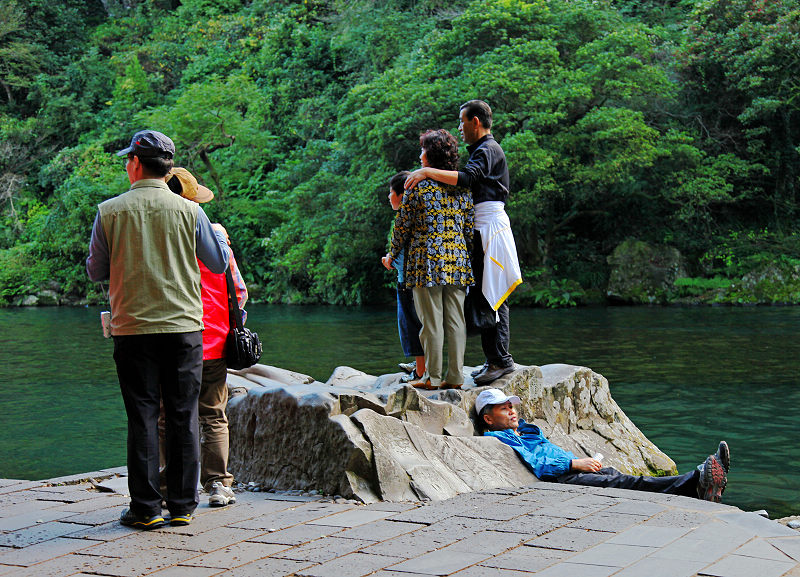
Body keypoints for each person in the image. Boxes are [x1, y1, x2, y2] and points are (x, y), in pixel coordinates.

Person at [86, 130, 229, 530]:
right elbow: (217, 264)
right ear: (167, 168)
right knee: (184, 414)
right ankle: (183, 505)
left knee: (143, 416)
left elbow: (96, 270)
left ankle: (146, 509)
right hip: (184, 327)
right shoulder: (190, 211)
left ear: (135, 163)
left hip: (132, 328)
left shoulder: (109, 210)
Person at [406, 100, 522, 386]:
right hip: (484, 226)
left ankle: (501, 360)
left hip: (490, 227)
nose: (459, 127)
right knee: (486, 293)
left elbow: (468, 179)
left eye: (462, 121)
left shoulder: (488, 149)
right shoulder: (482, 150)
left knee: (493, 295)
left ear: (476, 122)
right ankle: (493, 358)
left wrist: (426, 172)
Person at [476, 388, 730, 502]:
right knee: (626, 483)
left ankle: (697, 489)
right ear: (488, 418)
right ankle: (697, 479)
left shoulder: (525, 431)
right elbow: (539, 464)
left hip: (572, 471)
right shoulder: (499, 438)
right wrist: (575, 463)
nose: (511, 411)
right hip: (564, 478)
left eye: (512, 406)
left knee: (626, 479)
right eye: (503, 408)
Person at [166, 167, 246, 508]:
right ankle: (218, 485)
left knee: (166, 415)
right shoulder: (216, 236)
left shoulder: (164, 235)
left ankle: (168, 487)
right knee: (213, 413)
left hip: (172, 337)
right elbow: (238, 292)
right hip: (214, 339)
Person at [385, 129, 474, 390]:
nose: (420, 155)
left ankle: (432, 378)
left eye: (423, 150)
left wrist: (392, 253)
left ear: (430, 155)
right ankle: (455, 378)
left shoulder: (417, 185)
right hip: (458, 261)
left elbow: (402, 226)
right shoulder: (462, 188)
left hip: (426, 262)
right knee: (457, 322)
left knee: (431, 322)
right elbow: (469, 229)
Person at [381, 171, 426, 383]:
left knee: (412, 324)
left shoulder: (405, 216)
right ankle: (421, 364)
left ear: (401, 194)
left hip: (408, 280)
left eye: (391, 193)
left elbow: (400, 249)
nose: (389, 197)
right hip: (419, 279)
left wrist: (388, 260)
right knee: (422, 323)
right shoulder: (422, 214)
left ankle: (420, 371)